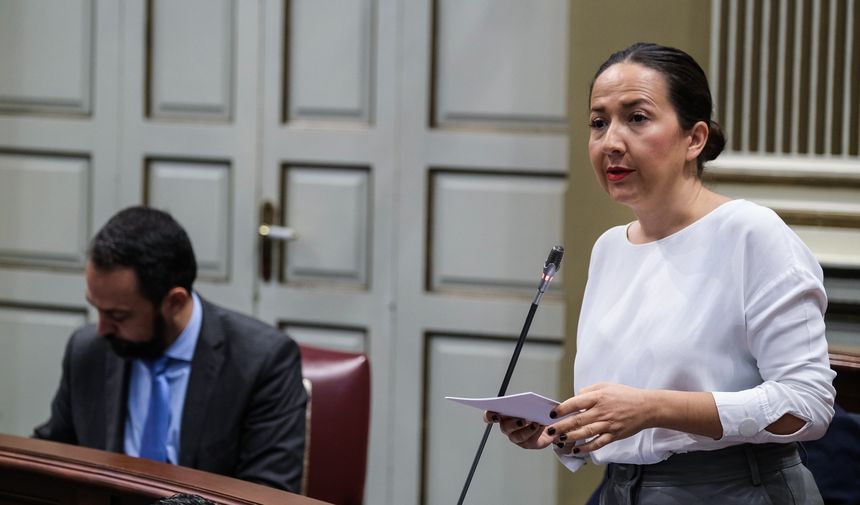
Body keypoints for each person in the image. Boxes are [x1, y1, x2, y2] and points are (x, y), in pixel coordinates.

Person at [487, 42, 835, 504]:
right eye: (598, 122)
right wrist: (561, 427)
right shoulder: (610, 248)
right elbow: (627, 419)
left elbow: (807, 405)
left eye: (637, 118)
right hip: (621, 489)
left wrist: (652, 408)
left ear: (694, 139)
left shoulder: (752, 233)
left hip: (735, 490)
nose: (611, 141)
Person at [33, 206, 307, 493]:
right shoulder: (88, 350)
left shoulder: (262, 361)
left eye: (118, 316)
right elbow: (49, 460)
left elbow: (267, 492)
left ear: (174, 302)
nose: (102, 329)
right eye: (97, 309)